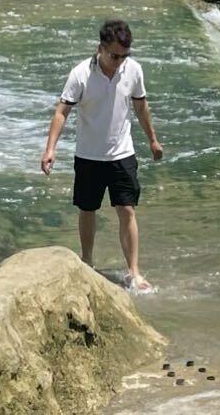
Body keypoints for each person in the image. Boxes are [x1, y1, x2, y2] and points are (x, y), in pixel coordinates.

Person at [40, 18, 163, 293]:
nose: (119, 62)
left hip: (122, 153)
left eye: (124, 56)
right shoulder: (81, 74)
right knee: (87, 210)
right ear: (101, 48)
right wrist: (50, 149)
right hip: (88, 155)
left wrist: (152, 140)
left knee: (127, 210)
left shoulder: (133, 71)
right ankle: (87, 262)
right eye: (114, 56)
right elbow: (62, 112)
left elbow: (141, 108)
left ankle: (133, 272)